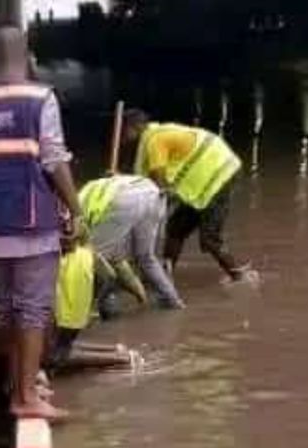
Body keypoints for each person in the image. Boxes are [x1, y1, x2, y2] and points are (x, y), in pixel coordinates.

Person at [0, 25, 83, 421]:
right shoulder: (40, 98)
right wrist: (76, 210)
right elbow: (54, 160)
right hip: (31, 220)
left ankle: (15, 384)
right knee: (33, 310)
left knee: (7, 307)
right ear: (28, 58)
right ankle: (25, 397)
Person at [123, 110, 252, 281]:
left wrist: (154, 209)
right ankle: (164, 272)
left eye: (125, 131)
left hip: (219, 175)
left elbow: (158, 178)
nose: (123, 136)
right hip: (202, 183)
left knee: (209, 238)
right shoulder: (156, 136)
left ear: (136, 127)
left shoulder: (154, 140)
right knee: (176, 227)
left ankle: (239, 275)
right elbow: (147, 180)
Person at [79, 173, 185, 309]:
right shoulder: (86, 195)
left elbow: (101, 258)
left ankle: (92, 305)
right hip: (152, 193)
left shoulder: (76, 212)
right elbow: (118, 260)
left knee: (93, 258)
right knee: (146, 256)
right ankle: (172, 299)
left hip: (123, 201)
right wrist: (139, 292)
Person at [48, 234, 138, 372]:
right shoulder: (85, 250)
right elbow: (108, 275)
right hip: (75, 300)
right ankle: (118, 351)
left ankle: (124, 359)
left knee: (52, 352)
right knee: (59, 343)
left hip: (63, 303)